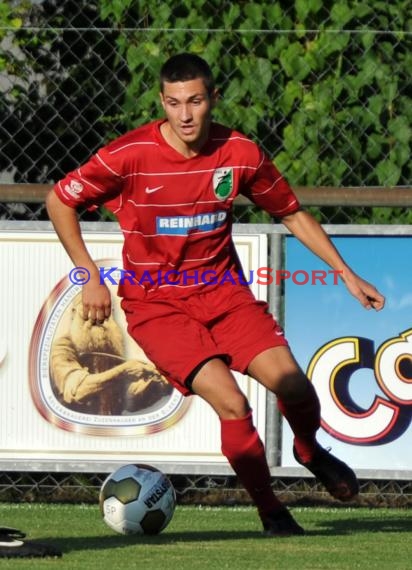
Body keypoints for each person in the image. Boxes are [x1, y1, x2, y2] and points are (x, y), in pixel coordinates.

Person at [46, 53, 385, 536]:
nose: (185, 114)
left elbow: (291, 213)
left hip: (226, 295)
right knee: (233, 404)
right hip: (157, 305)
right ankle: (272, 512)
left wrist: (346, 274)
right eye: (174, 102)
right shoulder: (129, 154)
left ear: (212, 99)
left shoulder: (240, 152)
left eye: (196, 101)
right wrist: (89, 274)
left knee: (293, 385)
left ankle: (308, 449)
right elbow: (60, 198)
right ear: (162, 102)